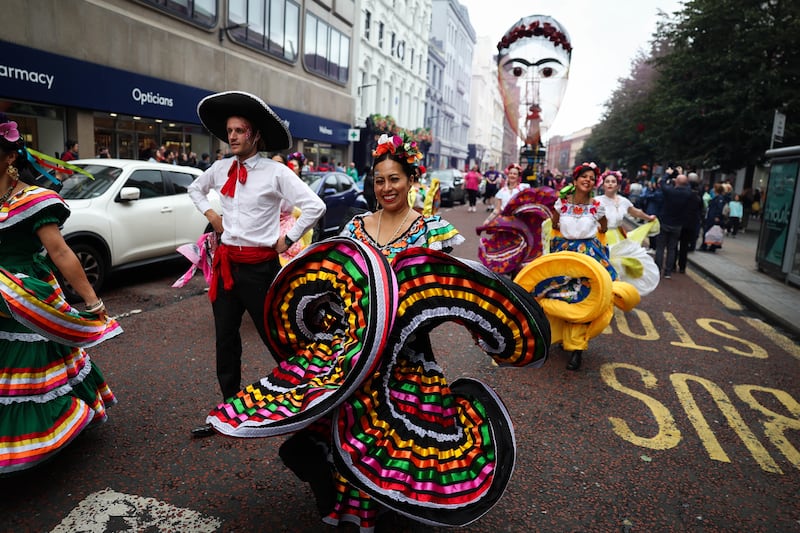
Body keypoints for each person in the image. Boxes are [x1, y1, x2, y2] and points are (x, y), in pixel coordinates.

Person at [202, 132, 550, 531]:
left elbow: (444, 290)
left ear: (411, 180)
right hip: (357, 347)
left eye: (395, 179)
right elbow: (334, 279)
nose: (387, 188)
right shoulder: (356, 227)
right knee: (344, 422)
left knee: (386, 434)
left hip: (407, 352)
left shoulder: (432, 230)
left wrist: (477, 323)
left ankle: (371, 506)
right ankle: (343, 498)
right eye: (380, 180)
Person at [187, 91, 326, 437]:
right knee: (225, 339)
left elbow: (314, 206)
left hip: (260, 268)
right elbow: (195, 189)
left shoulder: (274, 172)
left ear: (255, 135)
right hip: (226, 266)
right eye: (229, 131)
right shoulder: (220, 169)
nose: (231, 136)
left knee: (277, 337)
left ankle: (306, 404)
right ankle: (227, 410)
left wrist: (289, 239)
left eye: (239, 130)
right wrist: (212, 215)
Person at [0, 114, 121, 474]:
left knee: (35, 362)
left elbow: (61, 252)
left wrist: (92, 302)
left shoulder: (34, 199)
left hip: (26, 294)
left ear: (9, 157)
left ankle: (49, 430)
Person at [549, 162, 615, 370]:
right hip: (565, 254)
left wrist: (596, 238)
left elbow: (604, 226)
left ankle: (577, 349)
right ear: (575, 181)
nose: (588, 180)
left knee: (585, 299)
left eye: (592, 178)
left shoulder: (597, 206)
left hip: (588, 256)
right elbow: (554, 224)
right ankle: (562, 335)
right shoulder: (562, 204)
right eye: (584, 177)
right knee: (560, 295)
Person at [497, 15, 571, 148]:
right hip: (532, 130)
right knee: (532, 135)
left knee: (535, 136)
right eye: (517, 71)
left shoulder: (535, 115)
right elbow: (529, 122)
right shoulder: (533, 115)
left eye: (547, 71)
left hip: (534, 130)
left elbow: (535, 122)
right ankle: (529, 143)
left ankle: (533, 142)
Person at [595, 170, 656, 242]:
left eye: (613, 182)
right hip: (599, 237)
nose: (610, 184)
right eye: (607, 181)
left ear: (618, 186)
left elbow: (636, 212)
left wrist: (649, 218)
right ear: (603, 185)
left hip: (617, 238)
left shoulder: (623, 201)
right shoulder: (596, 201)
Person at [656, 173, 696, 278]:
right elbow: (689, 186)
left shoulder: (670, 191)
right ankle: (668, 272)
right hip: (677, 224)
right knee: (672, 249)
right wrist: (681, 175)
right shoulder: (688, 193)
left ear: (676, 182)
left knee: (660, 248)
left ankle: (658, 269)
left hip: (664, 222)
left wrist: (668, 174)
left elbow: (662, 182)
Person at [699, 183, 727, 251]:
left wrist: (717, 216)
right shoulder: (716, 197)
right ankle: (711, 246)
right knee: (711, 231)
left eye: (714, 188)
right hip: (711, 216)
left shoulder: (719, 198)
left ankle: (706, 246)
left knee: (708, 231)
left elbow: (719, 208)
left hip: (713, 217)